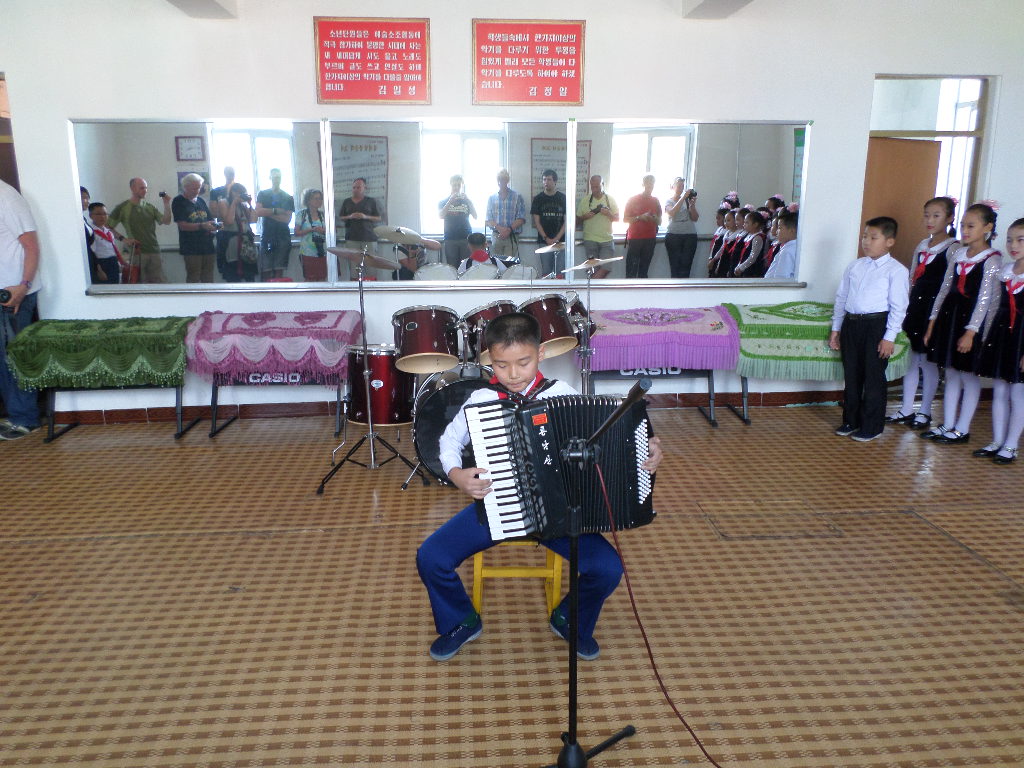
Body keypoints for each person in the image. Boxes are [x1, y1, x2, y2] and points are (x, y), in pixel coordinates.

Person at [415, 312, 663, 662]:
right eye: (501, 365)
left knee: (608, 568)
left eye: (523, 362)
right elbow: (449, 441)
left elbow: (602, 442)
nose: (513, 374)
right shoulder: (481, 398)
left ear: (541, 353)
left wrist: (645, 450)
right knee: (431, 557)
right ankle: (461, 621)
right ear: (489, 360)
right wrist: (456, 474)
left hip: (558, 514)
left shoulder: (562, 394)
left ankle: (570, 618)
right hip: (497, 505)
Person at [920, 203, 1002, 445]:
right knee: (951, 372)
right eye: (963, 225)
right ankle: (947, 423)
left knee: (967, 375)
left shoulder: (992, 260)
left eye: (971, 226)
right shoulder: (958, 254)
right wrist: (933, 322)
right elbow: (944, 289)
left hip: (970, 324)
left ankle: (962, 428)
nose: (965, 231)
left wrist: (972, 332)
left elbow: (985, 301)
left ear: (987, 227)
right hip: (950, 318)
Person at [829, 216, 910, 442]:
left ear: (889, 242)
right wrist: (836, 328)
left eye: (873, 237)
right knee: (852, 375)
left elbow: (899, 307)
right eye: (865, 236)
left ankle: (872, 426)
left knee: (873, 377)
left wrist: (889, 337)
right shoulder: (855, 266)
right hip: (851, 324)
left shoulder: (896, 271)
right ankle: (851, 420)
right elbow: (842, 297)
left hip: (877, 326)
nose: (866, 241)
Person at [885, 197, 958, 430]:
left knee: (927, 361)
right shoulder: (922, 245)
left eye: (936, 215)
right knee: (910, 359)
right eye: (927, 215)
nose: (930, 220)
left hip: (933, 310)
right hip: (915, 307)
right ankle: (907, 408)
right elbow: (911, 278)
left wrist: (935, 316)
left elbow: (948, 285)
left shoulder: (953, 248)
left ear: (949, 218)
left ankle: (925, 411)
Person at [975, 217, 1024, 464]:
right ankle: (997, 440)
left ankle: (1011, 444)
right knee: (1000, 391)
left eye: (1020, 240)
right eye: (1009, 240)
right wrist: (986, 338)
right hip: (1002, 335)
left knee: (1017, 394)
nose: (1013, 245)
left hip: (1021, 341)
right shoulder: (1005, 271)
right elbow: (994, 307)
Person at [0, 179, 42, 440]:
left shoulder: (5, 196)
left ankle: (25, 418)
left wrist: (23, 286)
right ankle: (16, 415)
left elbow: (31, 246)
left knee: (14, 357)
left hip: (13, 294)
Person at [108, 177, 173, 283]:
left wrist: (166, 204)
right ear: (133, 188)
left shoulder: (149, 207)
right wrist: (124, 239)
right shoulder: (123, 207)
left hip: (154, 250)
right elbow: (107, 227)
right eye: (142, 188)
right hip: (137, 253)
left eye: (146, 188)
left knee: (159, 283)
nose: (145, 190)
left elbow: (166, 221)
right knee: (140, 283)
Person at [172, 173, 217, 283]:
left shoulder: (201, 201)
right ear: (186, 187)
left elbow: (209, 220)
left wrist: (215, 226)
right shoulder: (178, 201)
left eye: (199, 188)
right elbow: (182, 225)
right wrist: (202, 226)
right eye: (194, 188)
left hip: (207, 246)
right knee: (194, 278)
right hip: (191, 248)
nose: (197, 191)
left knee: (208, 277)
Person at [254, 168, 294, 281]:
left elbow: (286, 219)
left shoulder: (288, 197)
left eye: (278, 177)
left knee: (278, 272)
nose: (276, 179)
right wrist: (276, 211)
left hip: (283, 237)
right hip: (267, 237)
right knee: (265, 271)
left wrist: (267, 212)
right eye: (274, 177)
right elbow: (258, 212)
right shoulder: (262, 194)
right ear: (270, 177)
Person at [575, 175, 619, 279]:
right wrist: (584, 217)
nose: (594, 189)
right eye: (592, 186)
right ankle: (593, 286)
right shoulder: (585, 200)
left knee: (606, 268)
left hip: (607, 239)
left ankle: (591, 284)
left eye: (597, 186)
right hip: (590, 239)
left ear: (603, 185)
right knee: (593, 269)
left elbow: (617, 219)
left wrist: (609, 214)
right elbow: (576, 222)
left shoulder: (610, 200)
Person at [337, 177, 382, 279]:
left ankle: (371, 287)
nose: (356, 189)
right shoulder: (347, 201)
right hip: (352, 238)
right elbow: (341, 217)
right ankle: (354, 287)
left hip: (369, 238)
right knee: (354, 268)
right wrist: (350, 216)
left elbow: (378, 218)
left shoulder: (371, 201)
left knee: (371, 268)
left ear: (365, 188)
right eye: (354, 187)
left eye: (358, 187)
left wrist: (365, 217)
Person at [623, 175, 662, 278]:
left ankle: (643, 288)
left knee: (644, 272)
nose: (650, 186)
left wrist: (654, 218)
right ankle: (629, 287)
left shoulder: (656, 200)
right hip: (635, 238)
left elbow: (659, 221)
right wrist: (639, 217)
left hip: (650, 239)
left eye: (652, 183)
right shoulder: (632, 199)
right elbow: (625, 219)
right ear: (643, 184)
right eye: (648, 183)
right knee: (631, 271)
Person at [219, 183, 258, 283]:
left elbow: (253, 220)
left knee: (249, 276)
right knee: (233, 276)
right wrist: (234, 203)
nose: (241, 196)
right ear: (233, 192)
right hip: (232, 243)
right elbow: (229, 221)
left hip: (246, 245)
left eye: (243, 194)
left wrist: (250, 204)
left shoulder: (244, 205)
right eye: (239, 193)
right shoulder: (224, 202)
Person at [531, 169, 567, 276]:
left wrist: (556, 239)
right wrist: (546, 238)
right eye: (544, 179)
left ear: (555, 181)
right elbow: (537, 222)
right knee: (546, 271)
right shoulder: (538, 199)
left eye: (549, 179)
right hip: (544, 241)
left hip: (561, 241)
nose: (546, 182)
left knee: (560, 272)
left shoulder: (563, 198)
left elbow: (567, 221)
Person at [484, 168, 525, 261]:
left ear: (507, 180)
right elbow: (489, 219)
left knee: (509, 264)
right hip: (496, 235)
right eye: (499, 179)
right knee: (496, 264)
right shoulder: (491, 198)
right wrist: (500, 229)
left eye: (503, 179)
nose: (501, 182)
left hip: (512, 236)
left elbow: (521, 218)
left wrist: (508, 230)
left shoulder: (517, 196)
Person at [663, 177, 699, 278]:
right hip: (673, 236)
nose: (681, 188)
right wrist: (683, 198)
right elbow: (672, 212)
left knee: (686, 266)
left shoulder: (687, 201)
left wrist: (692, 206)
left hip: (690, 235)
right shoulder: (669, 201)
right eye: (679, 186)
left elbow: (695, 218)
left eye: (682, 186)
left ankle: (685, 286)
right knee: (675, 265)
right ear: (672, 187)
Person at [438, 175, 476, 268]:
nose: (456, 187)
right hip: (450, 239)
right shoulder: (443, 201)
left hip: (466, 238)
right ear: (450, 185)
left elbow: (475, 216)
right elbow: (441, 216)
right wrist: (450, 201)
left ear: (461, 186)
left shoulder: (466, 201)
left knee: (466, 267)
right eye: (454, 185)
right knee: (452, 267)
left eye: (458, 185)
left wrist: (468, 201)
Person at [86, 202, 125, 284]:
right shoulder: (91, 232)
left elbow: (112, 249)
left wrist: (119, 263)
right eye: (98, 214)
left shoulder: (108, 232)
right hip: (101, 264)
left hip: (113, 262)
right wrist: (98, 270)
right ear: (90, 216)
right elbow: (92, 254)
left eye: (105, 214)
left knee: (115, 287)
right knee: (104, 287)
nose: (103, 217)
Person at [295, 188, 328, 282]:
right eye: (315, 198)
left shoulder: (323, 215)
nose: (319, 201)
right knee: (309, 278)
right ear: (308, 200)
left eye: (320, 198)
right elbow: (296, 232)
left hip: (322, 251)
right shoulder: (301, 214)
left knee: (322, 278)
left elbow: (332, 232)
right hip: (307, 252)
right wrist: (311, 230)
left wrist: (323, 231)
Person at [209, 166, 236, 278]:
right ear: (224, 174)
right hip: (224, 233)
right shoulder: (216, 191)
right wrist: (229, 210)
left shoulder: (240, 190)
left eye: (232, 173)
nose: (230, 175)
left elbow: (246, 214)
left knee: (245, 269)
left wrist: (225, 209)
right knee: (226, 269)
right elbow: (214, 213)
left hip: (240, 233)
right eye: (228, 173)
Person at [732, 210, 768, 277]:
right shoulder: (748, 236)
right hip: (746, 268)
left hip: (753, 270)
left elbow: (753, 257)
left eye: (746, 222)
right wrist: (739, 266)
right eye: (744, 222)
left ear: (755, 224)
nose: (744, 224)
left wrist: (741, 267)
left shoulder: (758, 238)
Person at [764, 209, 798, 279]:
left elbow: (781, 278)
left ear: (792, 230)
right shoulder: (792, 247)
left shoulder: (787, 251)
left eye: (779, 228)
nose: (777, 231)